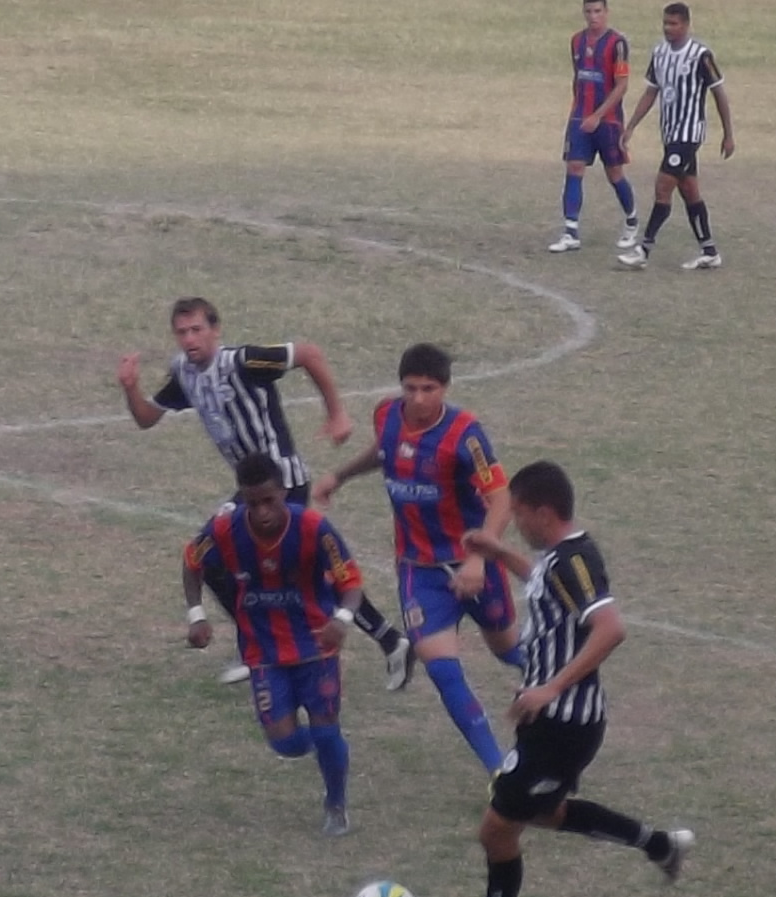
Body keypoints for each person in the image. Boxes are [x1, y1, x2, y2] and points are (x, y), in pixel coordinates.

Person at [436, 462, 689, 897]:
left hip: (563, 726)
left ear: (544, 513)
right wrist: (499, 552)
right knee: (547, 812)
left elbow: (610, 628)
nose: (515, 522)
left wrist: (551, 687)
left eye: (519, 514)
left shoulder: (574, 562)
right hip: (551, 723)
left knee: (496, 830)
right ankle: (659, 845)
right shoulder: (559, 558)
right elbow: (543, 585)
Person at [120, 300, 380, 683]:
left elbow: (308, 353)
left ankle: (272, 648)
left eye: (197, 329)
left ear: (215, 330)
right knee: (239, 561)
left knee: (251, 563)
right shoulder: (187, 374)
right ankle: (385, 638)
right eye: (182, 332)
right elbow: (146, 418)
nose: (190, 339)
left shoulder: (243, 362)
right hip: (251, 491)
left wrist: (337, 412)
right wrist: (131, 388)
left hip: (282, 483)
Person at [326, 343, 520, 774]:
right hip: (419, 570)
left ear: (445, 388)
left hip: (472, 565)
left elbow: (501, 497)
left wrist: (478, 558)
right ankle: (499, 770)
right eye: (410, 388)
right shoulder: (386, 414)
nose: (417, 399)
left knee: (510, 652)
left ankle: (565, 687)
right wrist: (339, 476)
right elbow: (383, 451)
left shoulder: (466, 434)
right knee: (443, 671)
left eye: (428, 389)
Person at [181, 462, 380, 835]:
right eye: (252, 503)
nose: (262, 512)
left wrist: (341, 619)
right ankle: (330, 748)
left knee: (325, 728)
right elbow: (192, 561)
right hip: (264, 652)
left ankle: (336, 803)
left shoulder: (314, 528)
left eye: (269, 501)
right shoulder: (224, 529)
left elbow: (350, 581)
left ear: (284, 493)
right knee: (285, 743)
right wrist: (196, 615)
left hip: (316, 646)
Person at [619, 1, 733, 270]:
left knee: (663, 187)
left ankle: (644, 249)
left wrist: (728, 133)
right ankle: (709, 251)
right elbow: (651, 91)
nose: (668, 28)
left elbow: (719, 92)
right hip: (670, 134)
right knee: (689, 191)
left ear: (686, 25)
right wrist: (631, 125)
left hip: (689, 134)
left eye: (674, 24)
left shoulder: (700, 55)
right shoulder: (659, 52)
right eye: (665, 23)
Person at [547, 0, 640, 254]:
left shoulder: (617, 44)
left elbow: (622, 85)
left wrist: (598, 115)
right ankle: (570, 231)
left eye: (598, 11)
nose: (593, 17)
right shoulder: (576, 41)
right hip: (580, 117)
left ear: (606, 12)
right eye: (588, 12)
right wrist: (579, 111)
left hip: (608, 121)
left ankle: (632, 220)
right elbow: (578, 76)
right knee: (574, 167)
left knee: (614, 173)